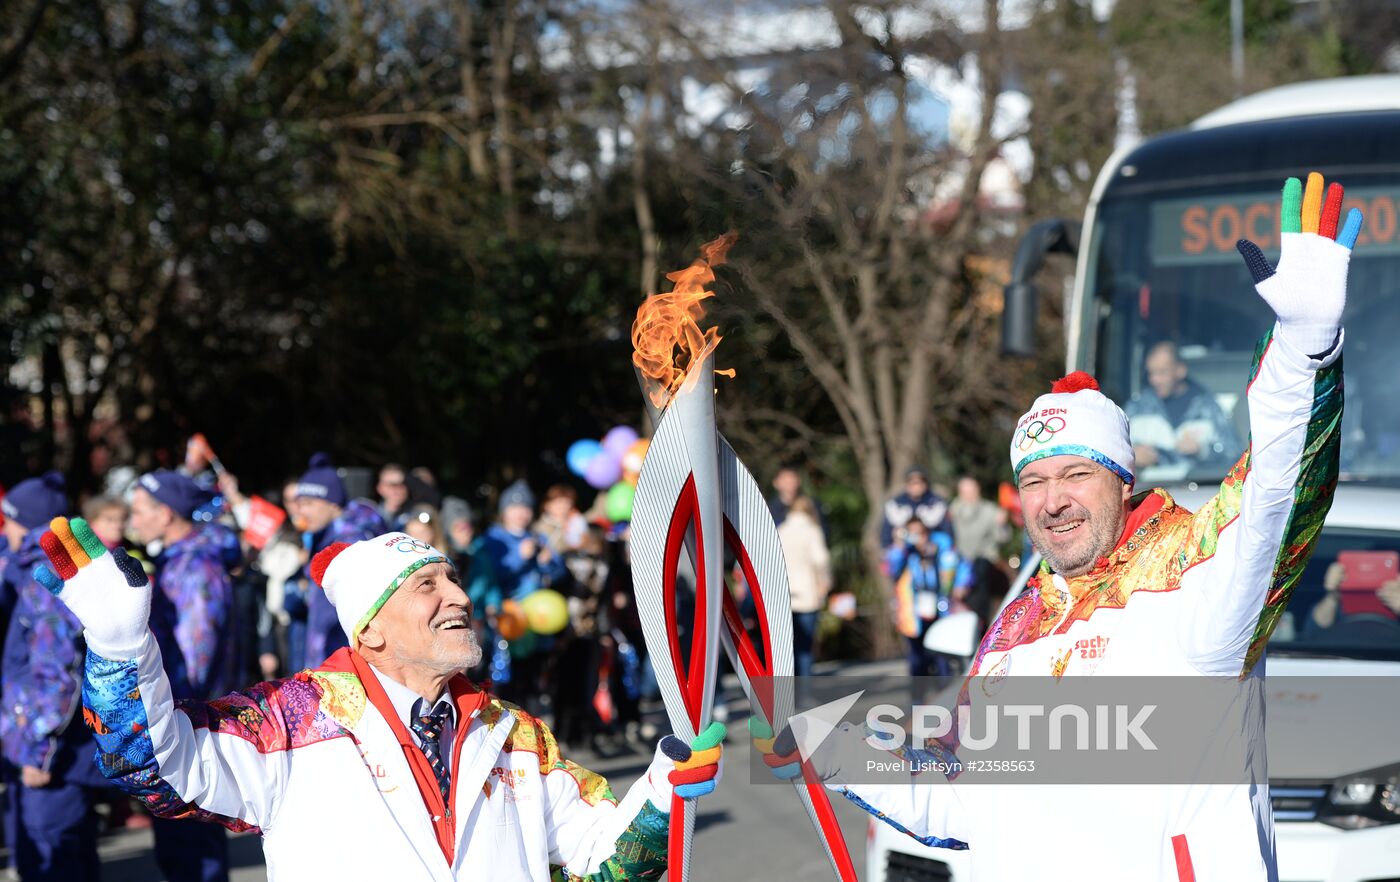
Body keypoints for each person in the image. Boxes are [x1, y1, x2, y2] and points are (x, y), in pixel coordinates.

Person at [769, 173, 1361, 880]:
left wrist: (1302, 354)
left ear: (1122, 480)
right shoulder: (1015, 631)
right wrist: (831, 747)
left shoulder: (1196, 582)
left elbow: (1277, 497)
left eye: (1077, 474)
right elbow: (958, 801)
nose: (1053, 502)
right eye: (1034, 482)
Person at [33, 520, 723, 880]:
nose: (458, 597)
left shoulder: (515, 736)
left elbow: (605, 867)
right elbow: (157, 769)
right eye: (428, 587)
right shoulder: (292, 721)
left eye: (452, 580)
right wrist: (122, 648)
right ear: (369, 630)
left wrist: (664, 789)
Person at [129, 469, 242, 882]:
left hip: (189, 732)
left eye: (140, 511)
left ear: (167, 514)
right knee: (180, 855)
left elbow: (195, 663)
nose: (133, 520)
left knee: (193, 857)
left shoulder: (195, 569)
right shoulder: (176, 560)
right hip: (178, 728)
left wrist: (166, 723)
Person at [0, 472, 108, 881]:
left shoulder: (46, 575)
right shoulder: (41, 566)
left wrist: (37, 750)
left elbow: (57, 672)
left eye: (7, 519)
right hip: (61, 749)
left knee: (54, 855)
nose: (3, 528)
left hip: (55, 756)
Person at [292, 453, 387, 666]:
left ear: (333, 505)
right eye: (299, 503)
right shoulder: (324, 538)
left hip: (345, 671)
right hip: (331, 667)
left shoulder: (350, 545)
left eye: (308, 503)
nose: (301, 512)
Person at [1125, 340, 1242, 479]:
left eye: (1162, 373)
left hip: (1195, 494)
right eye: (1151, 373)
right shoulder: (1136, 408)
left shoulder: (1207, 408)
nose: (1155, 380)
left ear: (1181, 370)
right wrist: (1131, 454)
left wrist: (1203, 451)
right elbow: (1110, 453)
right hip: (1148, 494)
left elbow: (1235, 456)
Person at [886, 516, 970, 679]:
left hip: (941, 609)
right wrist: (898, 544)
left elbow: (962, 566)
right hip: (914, 614)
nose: (918, 537)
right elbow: (890, 567)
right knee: (917, 661)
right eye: (913, 534)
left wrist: (961, 586)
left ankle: (945, 696)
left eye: (921, 533)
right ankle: (918, 700)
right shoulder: (905, 554)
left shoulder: (942, 549)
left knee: (942, 658)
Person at [777, 496, 831, 677]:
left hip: (784, 594)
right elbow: (820, 559)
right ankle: (805, 690)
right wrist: (825, 582)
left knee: (786, 647)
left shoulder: (781, 530)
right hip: (808, 592)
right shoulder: (812, 530)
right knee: (805, 646)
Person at [948, 476, 1010, 627]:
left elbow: (1003, 538)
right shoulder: (953, 511)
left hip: (982, 563)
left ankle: (979, 624)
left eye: (972, 490)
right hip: (958, 565)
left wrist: (1001, 524)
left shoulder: (990, 511)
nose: (969, 494)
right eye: (965, 491)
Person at [879, 467, 951, 550]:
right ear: (907, 485)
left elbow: (946, 530)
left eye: (919, 483)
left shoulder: (936, 503)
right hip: (904, 545)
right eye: (913, 483)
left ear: (925, 484)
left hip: (931, 544)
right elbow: (886, 531)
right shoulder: (896, 504)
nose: (916, 487)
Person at [534, 484, 587, 556]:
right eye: (559, 502)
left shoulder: (574, 523)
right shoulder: (542, 526)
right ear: (547, 505)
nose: (563, 507)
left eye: (567, 503)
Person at [377, 463, 410, 530]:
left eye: (402, 484)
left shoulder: (415, 516)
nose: (397, 489)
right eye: (392, 485)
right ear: (380, 488)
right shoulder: (370, 517)